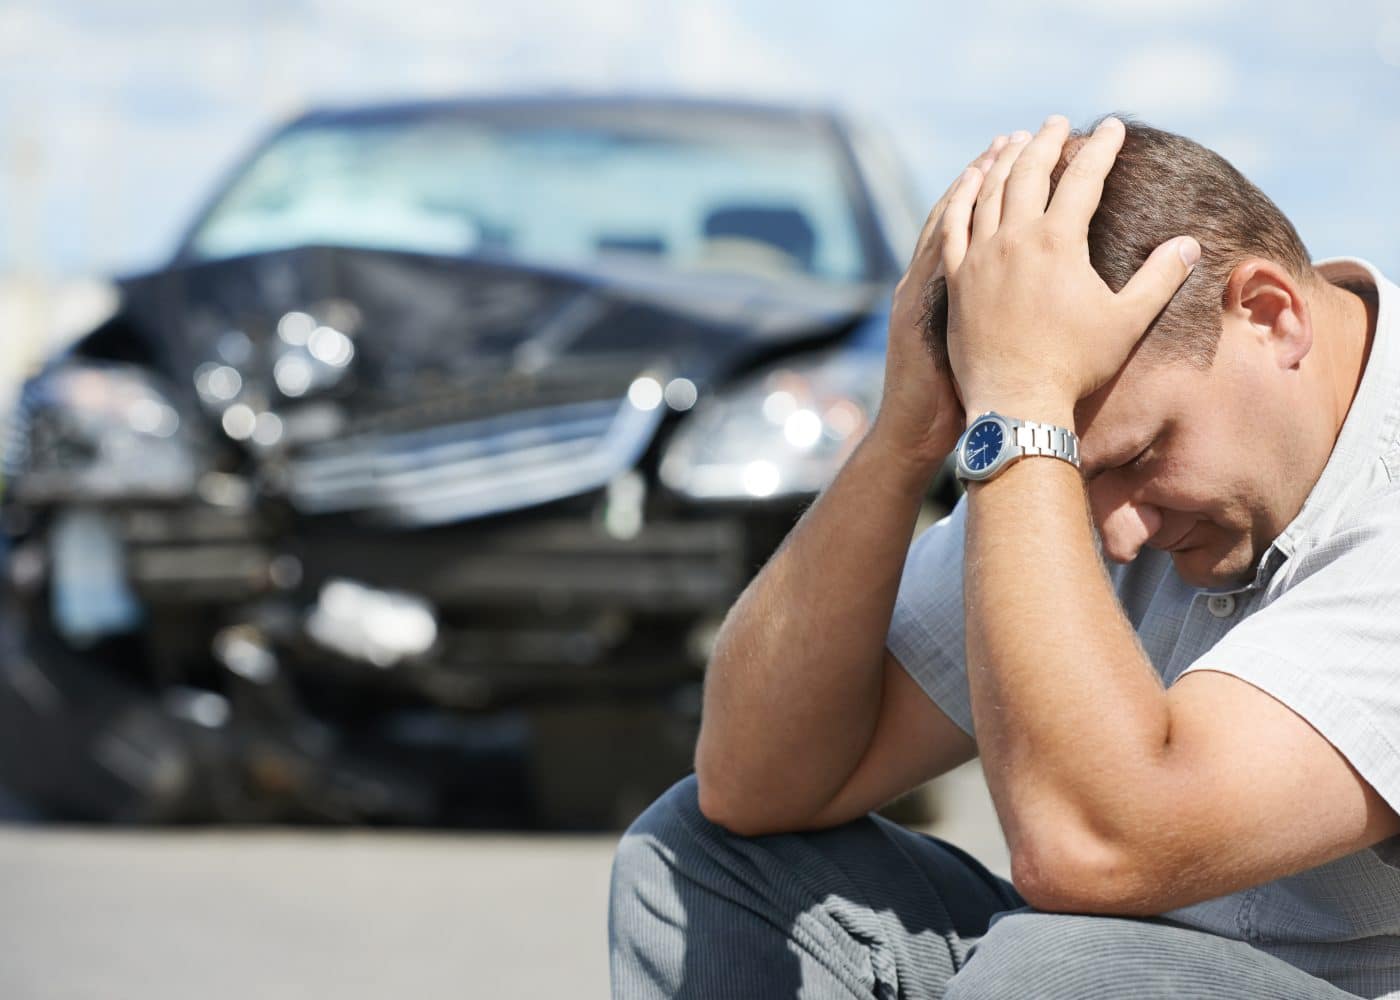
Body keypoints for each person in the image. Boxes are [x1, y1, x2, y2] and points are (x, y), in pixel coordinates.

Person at [608, 114, 1400, 999]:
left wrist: (1025, 410)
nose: (1116, 534)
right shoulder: (1073, 451)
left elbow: (1092, 849)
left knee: (1053, 970)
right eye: (1075, 474)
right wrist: (905, 438)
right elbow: (754, 782)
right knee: (698, 859)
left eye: (1140, 457)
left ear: (1267, 314)